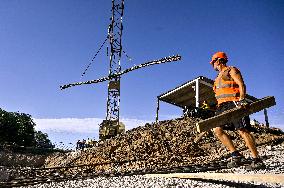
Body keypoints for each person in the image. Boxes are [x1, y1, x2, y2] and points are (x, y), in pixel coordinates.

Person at [209, 51, 265, 169]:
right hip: (221, 107)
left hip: (234, 103)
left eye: (213, 62)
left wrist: (242, 99)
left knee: (242, 130)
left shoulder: (231, 70)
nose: (212, 64)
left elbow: (241, 84)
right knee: (217, 130)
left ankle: (257, 159)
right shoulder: (217, 78)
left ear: (219, 60)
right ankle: (236, 155)